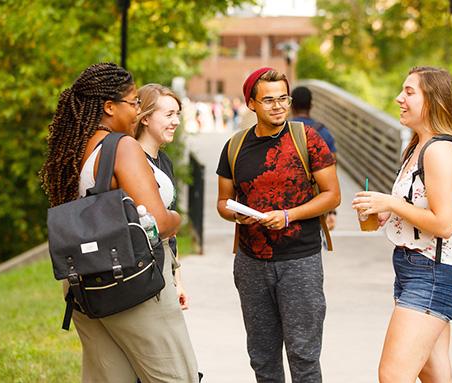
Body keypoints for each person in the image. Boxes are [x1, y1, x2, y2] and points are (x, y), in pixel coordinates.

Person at [41, 63, 199, 383]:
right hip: (130, 282)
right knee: (176, 377)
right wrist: (177, 219)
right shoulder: (121, 146)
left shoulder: (72, 149)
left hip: (82, 285)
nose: (138, 111)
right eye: (133, 102)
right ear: (109, 107)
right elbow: (156, 222)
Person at [216, 67, 340, 383]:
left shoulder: (307, 139)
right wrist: (236, 214)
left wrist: (288, 215)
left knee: (304, 356)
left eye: (283, 98)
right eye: (268, 99)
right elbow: (222, 202)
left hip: (301, 261)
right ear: (251, 104)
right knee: (262, 357)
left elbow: (332, 196)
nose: (278, 106)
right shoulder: (234, 146)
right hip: (251, 263)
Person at [352, 66, 452, 383]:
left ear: (432, 100)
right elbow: (426, 208)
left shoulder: (440, 151)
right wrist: (391, 213)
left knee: (393, 375)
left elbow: (445, 224)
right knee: (434, 373)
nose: (398, 98)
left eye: (409, 92)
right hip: (414, 267)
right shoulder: (418, 147)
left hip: (434, 272)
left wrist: (392, 203)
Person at [134, 83, 189, 311]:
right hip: (142, 269)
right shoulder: (132, 160)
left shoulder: (164, 161)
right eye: (168, 114)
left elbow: (171, 233)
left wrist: (177, 281)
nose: (175, 121)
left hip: (164, 265)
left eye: (177, 114)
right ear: (145, 118)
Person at [290, 86, 338, 233]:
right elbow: (332, 171)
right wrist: (332, 211)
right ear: (311, 105)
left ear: (291, 105)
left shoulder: (283, 130)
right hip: (317, 199)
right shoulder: (322, 131)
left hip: (288, 200)